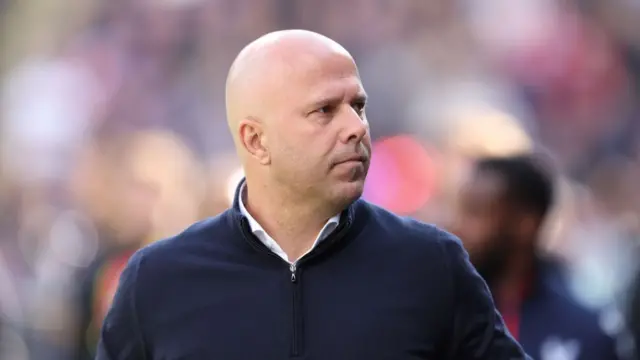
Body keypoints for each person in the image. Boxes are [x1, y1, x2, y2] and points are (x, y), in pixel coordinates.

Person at [97, 29, 529, 359]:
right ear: (255, 141)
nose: (356, 128)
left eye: (358, 106)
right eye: (324, 110)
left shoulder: (430, 264)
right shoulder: (158, 281)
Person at [453, 154, 620, 360]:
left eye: (476, 212)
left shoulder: (585, 330)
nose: (457, 226)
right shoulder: (443, 315)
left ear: (526, 224)